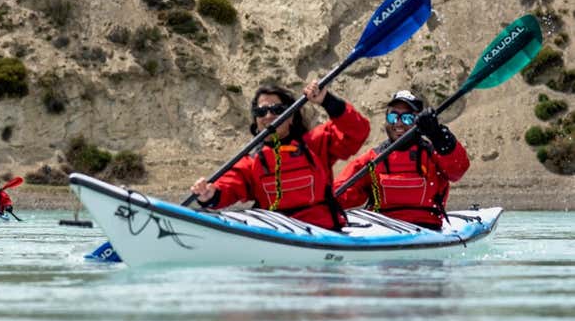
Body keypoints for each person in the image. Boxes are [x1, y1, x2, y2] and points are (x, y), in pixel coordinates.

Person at [190, 81, 370, 230]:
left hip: (322, 231)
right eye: (261, 112)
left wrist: (328, 101)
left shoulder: (315, 144)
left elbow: (358, 131)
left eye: (277, 110)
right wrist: (209, 194)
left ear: (291, 116)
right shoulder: (252, 161)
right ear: (256, 120)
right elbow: (229, 186)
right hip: (277, 231)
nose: (268, 115)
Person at [334, 90, 470, 230]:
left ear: (417, 121)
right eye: (393, 117)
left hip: (427, 228)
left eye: (407, 118)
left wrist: (438, 134)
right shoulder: (373, 159)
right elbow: (342, 193)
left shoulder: (434, 154)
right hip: (380, 229)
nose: (398, 123)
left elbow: (458, 170)